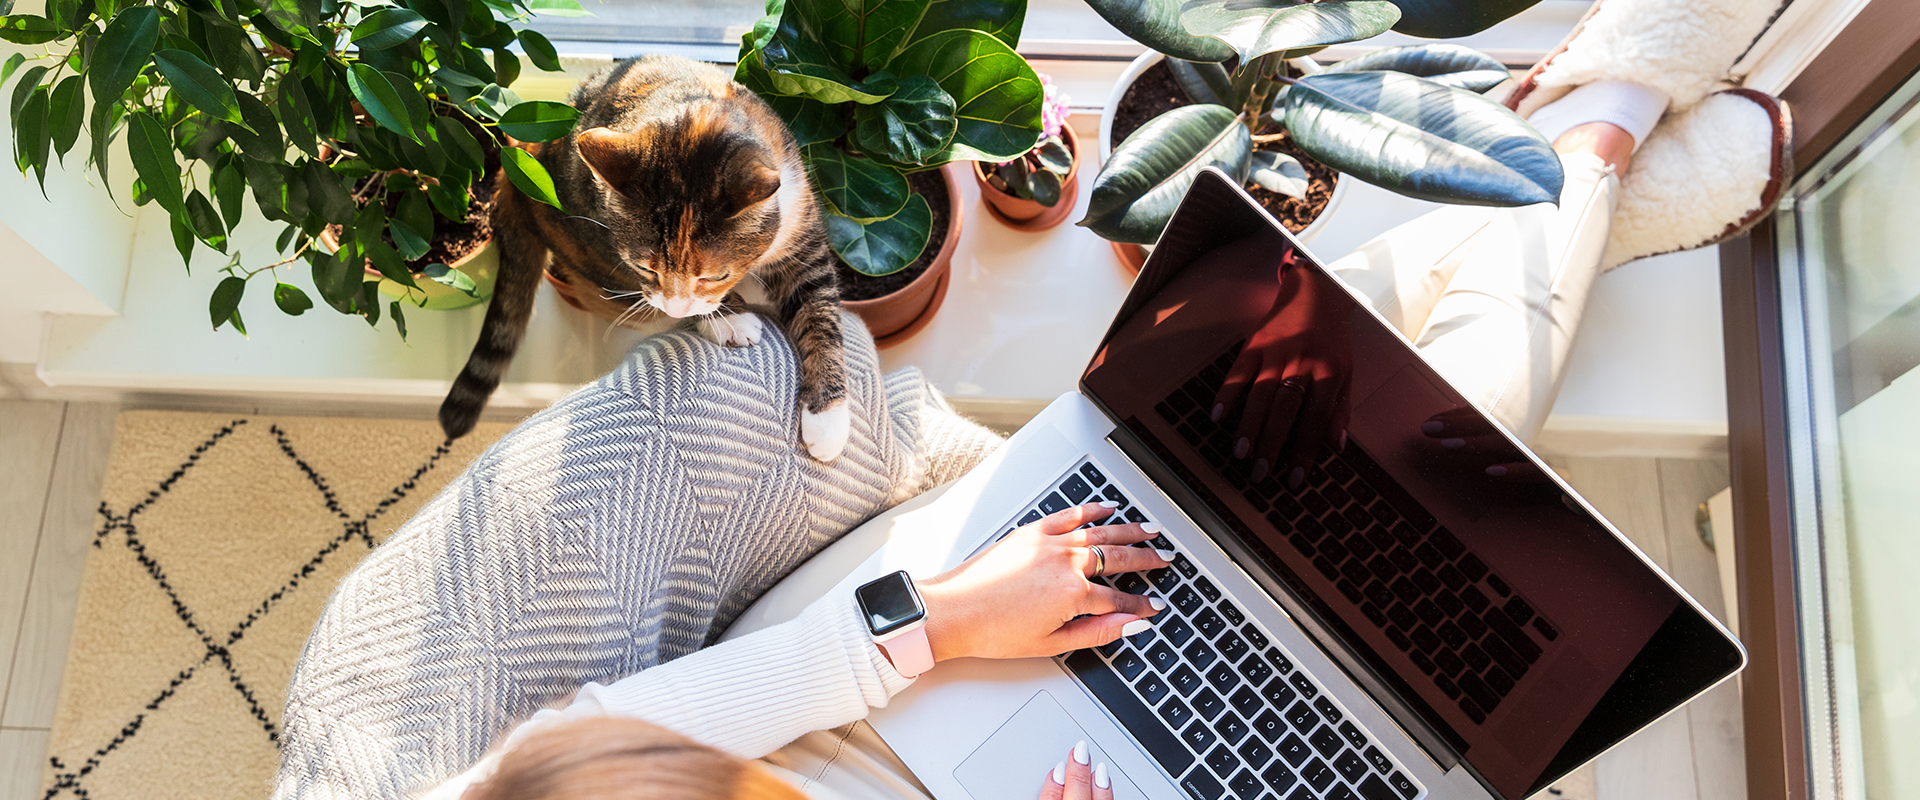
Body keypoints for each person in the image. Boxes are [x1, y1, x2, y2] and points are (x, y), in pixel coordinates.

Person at [417, 0, 1788, 794]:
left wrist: (933, 624)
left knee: (1317, 444)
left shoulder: (541, 793)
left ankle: (1585, 152)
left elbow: (677, 716)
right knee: (1415, 464)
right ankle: (1585, 156)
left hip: (847, 702)